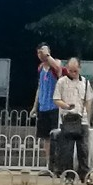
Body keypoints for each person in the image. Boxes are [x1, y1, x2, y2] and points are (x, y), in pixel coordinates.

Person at [52, 56, 93, 185]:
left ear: (79, 69)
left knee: (84, 150)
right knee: (67, 150)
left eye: (75, 71)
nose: (73, 73)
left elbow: (89, 101)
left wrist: (89, 118)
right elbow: (56, 99)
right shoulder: (62, 82)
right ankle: (69, 176)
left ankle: (85, 176)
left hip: (82, 120)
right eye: (70, 71)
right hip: (67, 120)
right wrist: (65, 106)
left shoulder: (85, 83)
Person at [31, 43, 64, 172]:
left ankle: (58, 165)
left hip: (54, 107)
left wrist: (48, 55)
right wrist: (35, 106)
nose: (41, 55)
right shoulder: (40, 68)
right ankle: (49, 165)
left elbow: (58, 68)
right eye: (39, 52)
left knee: (56, 137)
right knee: (46, 138)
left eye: (43, 52)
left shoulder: (56, 63)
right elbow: (40, 88)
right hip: (43, 108)